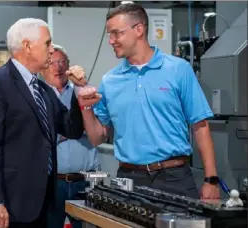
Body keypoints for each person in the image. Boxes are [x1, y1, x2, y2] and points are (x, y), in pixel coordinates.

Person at [72, 3, 220, 200]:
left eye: (116, 33)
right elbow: (97, 137)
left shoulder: (178, 69)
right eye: (109, 35)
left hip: (174, 177)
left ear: (139, 30)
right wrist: (86, 107)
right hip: (128, 180)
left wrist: (211, 179)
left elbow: (200, 125)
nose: (111, 41)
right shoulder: (109, 81)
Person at [0, 18, 85, 228]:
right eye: (48, 43)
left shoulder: (43, 90)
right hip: (5, 206)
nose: (52, 50)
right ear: (27, 46)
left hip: (39, 204)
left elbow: (72, 129)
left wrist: (79, 91)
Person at [39, 44, 99, 228]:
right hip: (53, 183)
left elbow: (97, 131)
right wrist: (72, 133)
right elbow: (40, 138)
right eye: (52, 62)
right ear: (42, 68)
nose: (58, 67)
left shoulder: (84, 91)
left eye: (62, 61)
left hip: (85, 182)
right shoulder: (38, 96)